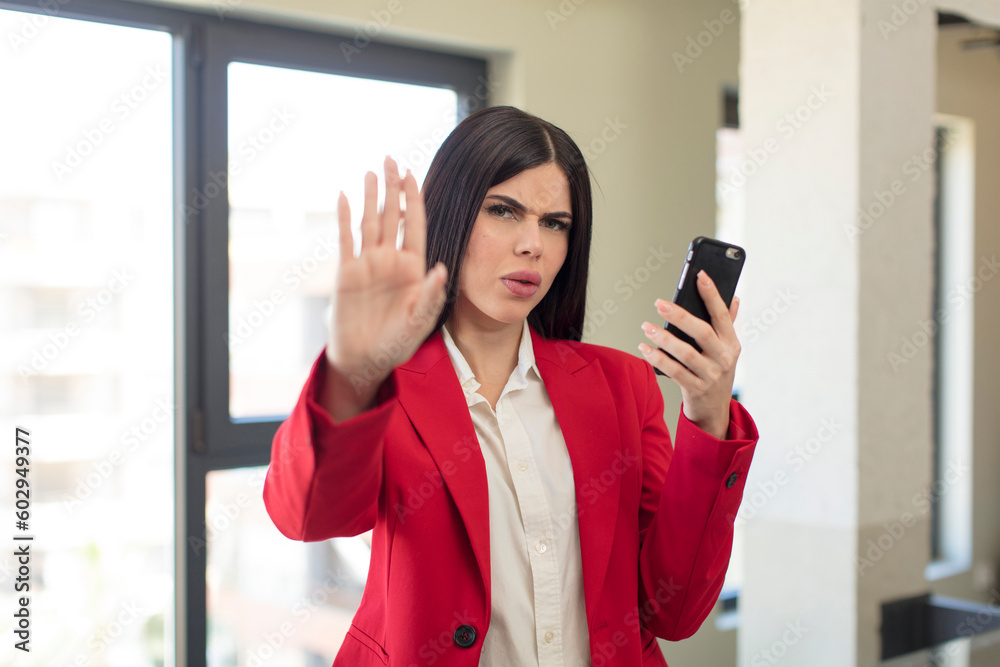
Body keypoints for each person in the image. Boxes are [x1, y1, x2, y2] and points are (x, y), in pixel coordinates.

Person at [263, 105, 759, 666]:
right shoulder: (382, 386)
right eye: (503, 211)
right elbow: (305, 516)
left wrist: (709, 420)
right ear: (450, 215)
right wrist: (353, 371)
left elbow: (674, 611)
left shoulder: (623, 385)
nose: (534, 245)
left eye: (555, 223)